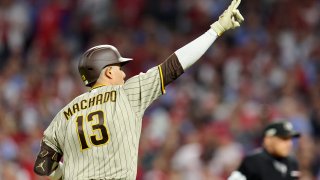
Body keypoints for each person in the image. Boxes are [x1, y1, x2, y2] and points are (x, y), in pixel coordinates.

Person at [33, 0, 244, 179]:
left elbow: (43, 166)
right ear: (107, 72)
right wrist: (215, 30)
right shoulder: (126, 94)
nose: (124, 74)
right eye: (119, 69)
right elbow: (175, 64)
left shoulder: (64, 114)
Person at [228, 121, 301, 180]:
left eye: (290, 139)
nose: (289, 144)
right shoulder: (253, 161)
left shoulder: (292, 162)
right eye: (283, 139)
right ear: (268, 141)